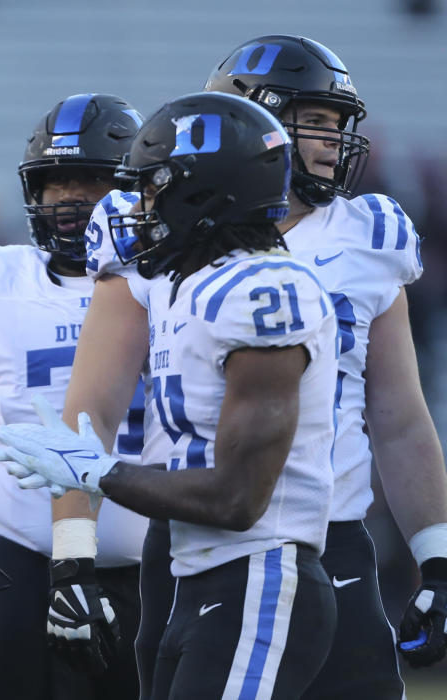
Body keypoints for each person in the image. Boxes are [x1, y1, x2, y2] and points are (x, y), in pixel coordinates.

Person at [0, 91, 342, 699]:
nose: (138, 207)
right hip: (193, 576)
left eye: (152, 188)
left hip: (259, 570)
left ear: (202, 195)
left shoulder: (265, 287)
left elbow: (237, 500)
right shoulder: (183, 286)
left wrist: (100, 472)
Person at [203, 35, 445, 695]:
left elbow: (398, 418)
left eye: (339, 124)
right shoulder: (175, 234)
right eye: (317, 121)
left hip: (333, 538)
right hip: (205, 540)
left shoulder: (365, 237)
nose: (334, 141)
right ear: (254, 119)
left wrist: (437, 560)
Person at [0, 93, 148, 700]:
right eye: (58, 185)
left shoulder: (175, 282)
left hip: (153, 568)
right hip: (23, 561)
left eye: (93, 182)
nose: (72, 202)